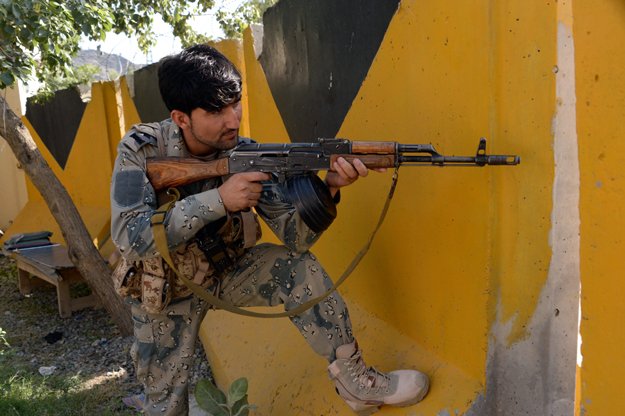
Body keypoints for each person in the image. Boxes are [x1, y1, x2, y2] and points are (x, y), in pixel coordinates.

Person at [110, 44, 429, 415]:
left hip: (227, 271)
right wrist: (221, 200)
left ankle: (357, 383)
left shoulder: (245, 151)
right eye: (216, 111)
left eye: (236, 104)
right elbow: (130, 238)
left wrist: (329, 189)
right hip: (163, 290)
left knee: (299, 268)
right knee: (165, 406)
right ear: (181, 118)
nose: (233, 120)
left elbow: (297, 238)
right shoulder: (142, 150)